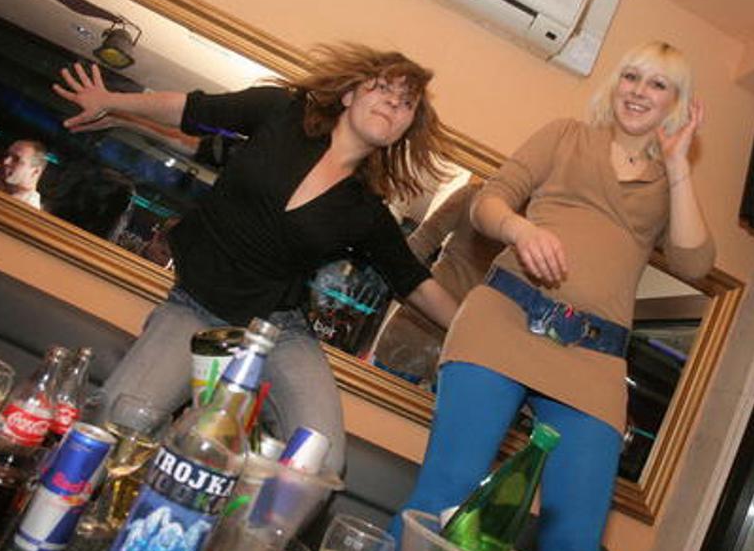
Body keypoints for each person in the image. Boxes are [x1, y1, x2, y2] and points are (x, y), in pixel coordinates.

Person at [52, 44, 460, 475]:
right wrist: (114, 103)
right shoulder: (281, 113)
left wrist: (476, 338)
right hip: (197, 307)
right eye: (384, 89)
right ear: (348, 95)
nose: (394, 104)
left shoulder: (365, 211)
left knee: (320, 462)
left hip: (278, 330)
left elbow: (414, 281)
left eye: (406, 104)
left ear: (404, 130)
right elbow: (192, 110)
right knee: (115, 424)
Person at [389, 41, 716, 551]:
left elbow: (695, 263)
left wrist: (678, 166)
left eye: (658, 84)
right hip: (504, 320)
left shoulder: (668, 184)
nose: (638, 91)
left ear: (676, 102)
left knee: (575, 545)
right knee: (445, 493)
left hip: (594, 358)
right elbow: (489, 201)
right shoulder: (566, 136)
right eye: (631, 76)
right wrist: (520, 230)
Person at [372, 179, 503, 384]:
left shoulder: (476, 195)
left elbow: (417, 247)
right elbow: (417, 248)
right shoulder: (476, 196)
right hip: (427, 331)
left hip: (454, 341)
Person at [0, 140, 48, 209]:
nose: (6, 162)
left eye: (16, 159)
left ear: (35, 171)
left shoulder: (28, 209)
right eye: (6, 156)